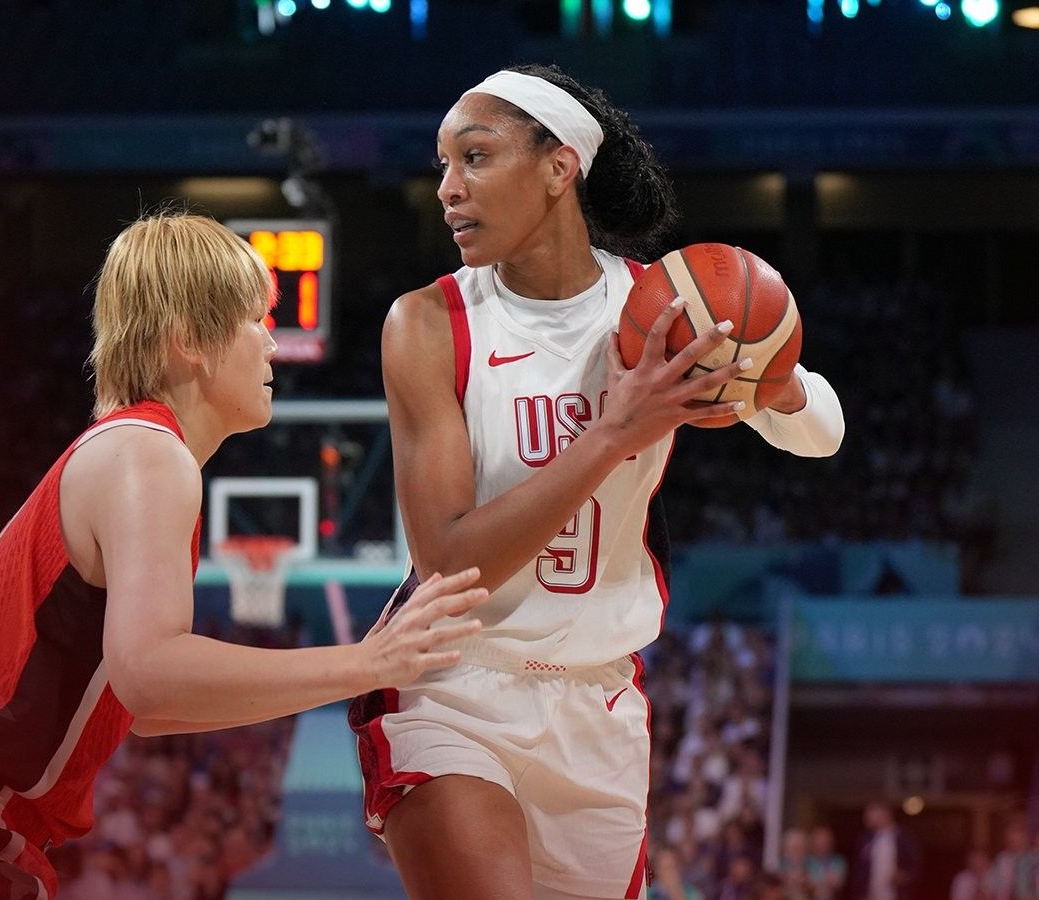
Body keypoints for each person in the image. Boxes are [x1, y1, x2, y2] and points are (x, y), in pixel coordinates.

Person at [349, 64, 844, 900]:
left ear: (559, 165)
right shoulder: (429, 323)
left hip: (598, 701)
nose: (446, 189)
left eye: (473, 157)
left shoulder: (655, 308)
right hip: (451, 681)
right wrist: (616, 431)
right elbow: (448, 556)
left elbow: (822, 434)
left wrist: (769, 374)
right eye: (441, 165)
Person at [0, 212, 489, 900]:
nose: (272, 342)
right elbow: (150, 674)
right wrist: (369, 661)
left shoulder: (127, 450)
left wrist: (352, 676)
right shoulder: (150, 454)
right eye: (255, 320)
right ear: (189, 342)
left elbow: (140, 706)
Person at [850, 801, 921, 900]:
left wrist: (903, 875)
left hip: (896, 894)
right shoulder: (865, 839)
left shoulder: (904, 837)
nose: (866, 816)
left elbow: (914, 864)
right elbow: (858, 869)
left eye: (870, 812)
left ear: (884, 813)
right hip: (870, 895)